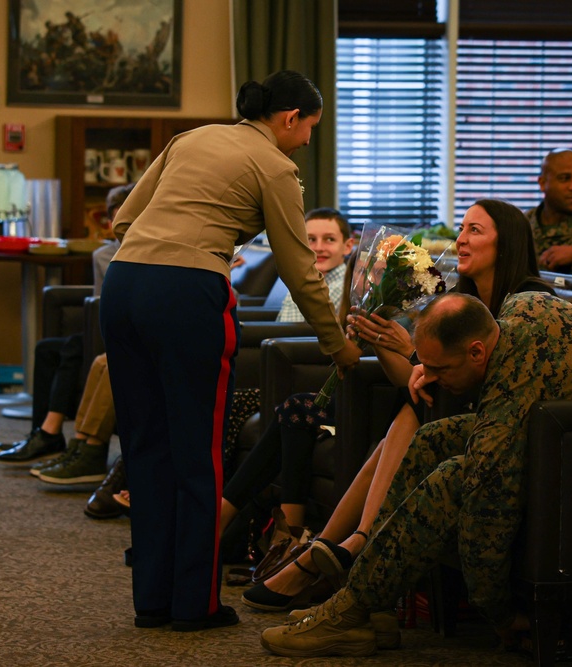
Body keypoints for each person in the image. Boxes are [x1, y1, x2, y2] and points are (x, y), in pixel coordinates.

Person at [99, 70, 362, 632]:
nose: (309, 140)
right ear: (291, 118)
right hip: (187, 295)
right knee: (198, 453)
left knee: (146, 447)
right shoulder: (277, 167)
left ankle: (152, 601)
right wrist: (338, 347)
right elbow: (300, 269)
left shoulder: (191, 138)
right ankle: (195, 606)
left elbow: (124, 220)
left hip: (121, 287)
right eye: (311, 127)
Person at [259, 291, 572, 657]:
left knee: (454, 477)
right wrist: (427, 363)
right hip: (570, 444)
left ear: (477, 351)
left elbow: (487, 518)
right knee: (431, 438)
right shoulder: (524, 306)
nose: (430, 376)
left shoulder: (508, 402)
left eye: (439, 368)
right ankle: (370, 602)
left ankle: (349, 611)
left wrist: (497, 613)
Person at [235, 199, 554, 612]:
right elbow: (416, 381)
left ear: (507, 242)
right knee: (407, 406)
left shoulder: (532, 302)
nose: (460, 240)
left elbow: (500, 388)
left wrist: (414, 354)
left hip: (505, 424)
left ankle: (332, 549)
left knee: (407, 411)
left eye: (475, 230)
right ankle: (338, 546)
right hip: (438, 410)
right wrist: (384, 340)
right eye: (461, 228)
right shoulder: (461, 300)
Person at [67, 208, 353, 518]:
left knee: (200, 398)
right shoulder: (303, 275)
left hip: (295, 378)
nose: (319, 247)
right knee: (178, 388)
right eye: (310, 239)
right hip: (268, 367)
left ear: (347, 246)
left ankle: (160, 488)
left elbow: (319, 339)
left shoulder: (340, 285)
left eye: (329, 240)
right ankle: (143, 481)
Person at [0, 184, 135, 465]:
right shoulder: (103, 255)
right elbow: (99, 302)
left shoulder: (146, 254)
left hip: (128, 332)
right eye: (114, 220)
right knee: (47, 349)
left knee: (73, 346)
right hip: (104, 327)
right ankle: (42, 433)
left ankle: (50, 432)